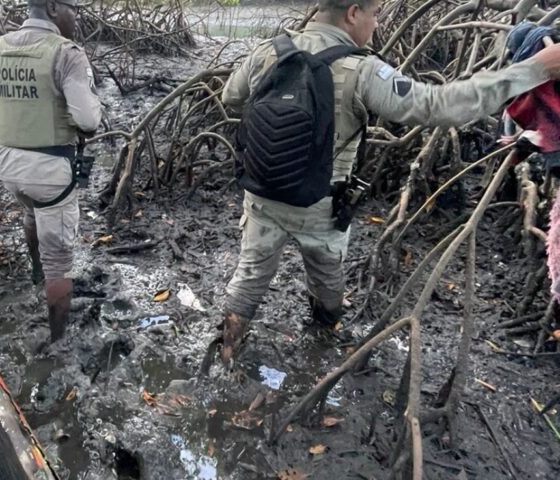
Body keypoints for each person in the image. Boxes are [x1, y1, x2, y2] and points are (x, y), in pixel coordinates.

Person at [219, 0, 560, 365]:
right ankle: (321, 346)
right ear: (352, 13)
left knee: (250, 276)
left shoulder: (266, 52)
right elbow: (438, 105)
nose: (376, 25)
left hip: (261, 194)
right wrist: (533, 69)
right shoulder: (362, 69)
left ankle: (225, 353)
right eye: (374, 14)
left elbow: (231, 98)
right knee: (327, 279)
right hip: (319, 205)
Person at [0, 0, 101, 343]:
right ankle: (58, 341)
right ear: (53, 8)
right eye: (72, 9)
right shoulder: (67, 53)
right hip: (50, 171)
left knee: (30, 213)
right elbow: (88, 121)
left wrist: (13, 106)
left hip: (9, 166)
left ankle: (35, 272)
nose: (76, 17)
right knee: (60, 265)